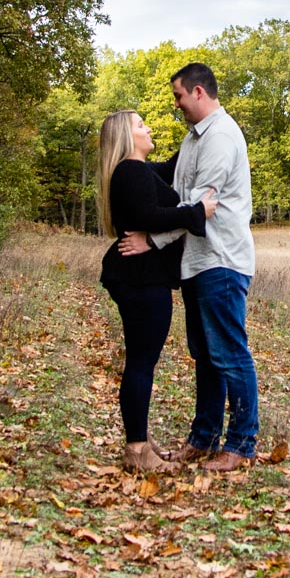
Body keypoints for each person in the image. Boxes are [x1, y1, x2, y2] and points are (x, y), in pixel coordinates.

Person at [119, 62, 260, 472]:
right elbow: (173, 192)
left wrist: (151, 239)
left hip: (221, 259)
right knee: (206, 355)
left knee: (230, 353)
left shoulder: (220, 137)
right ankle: (203, 439)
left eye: (179, 96)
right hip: (197, 262)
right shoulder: (194, 139)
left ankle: (242, 444)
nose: (177, 104)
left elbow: (199, 207)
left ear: (198, 92)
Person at [95, 109, 216, 473]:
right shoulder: (130, 171)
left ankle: (140, 439)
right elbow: (151, 214)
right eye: (141, 125)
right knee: (141, 363)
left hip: (139, 276)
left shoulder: (141, 170)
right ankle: (136, 450)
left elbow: (172, 168)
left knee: (141, 361)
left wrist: (199, 129)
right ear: (127, 137)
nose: (148, 129)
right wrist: (197, 211)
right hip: (140, 278)